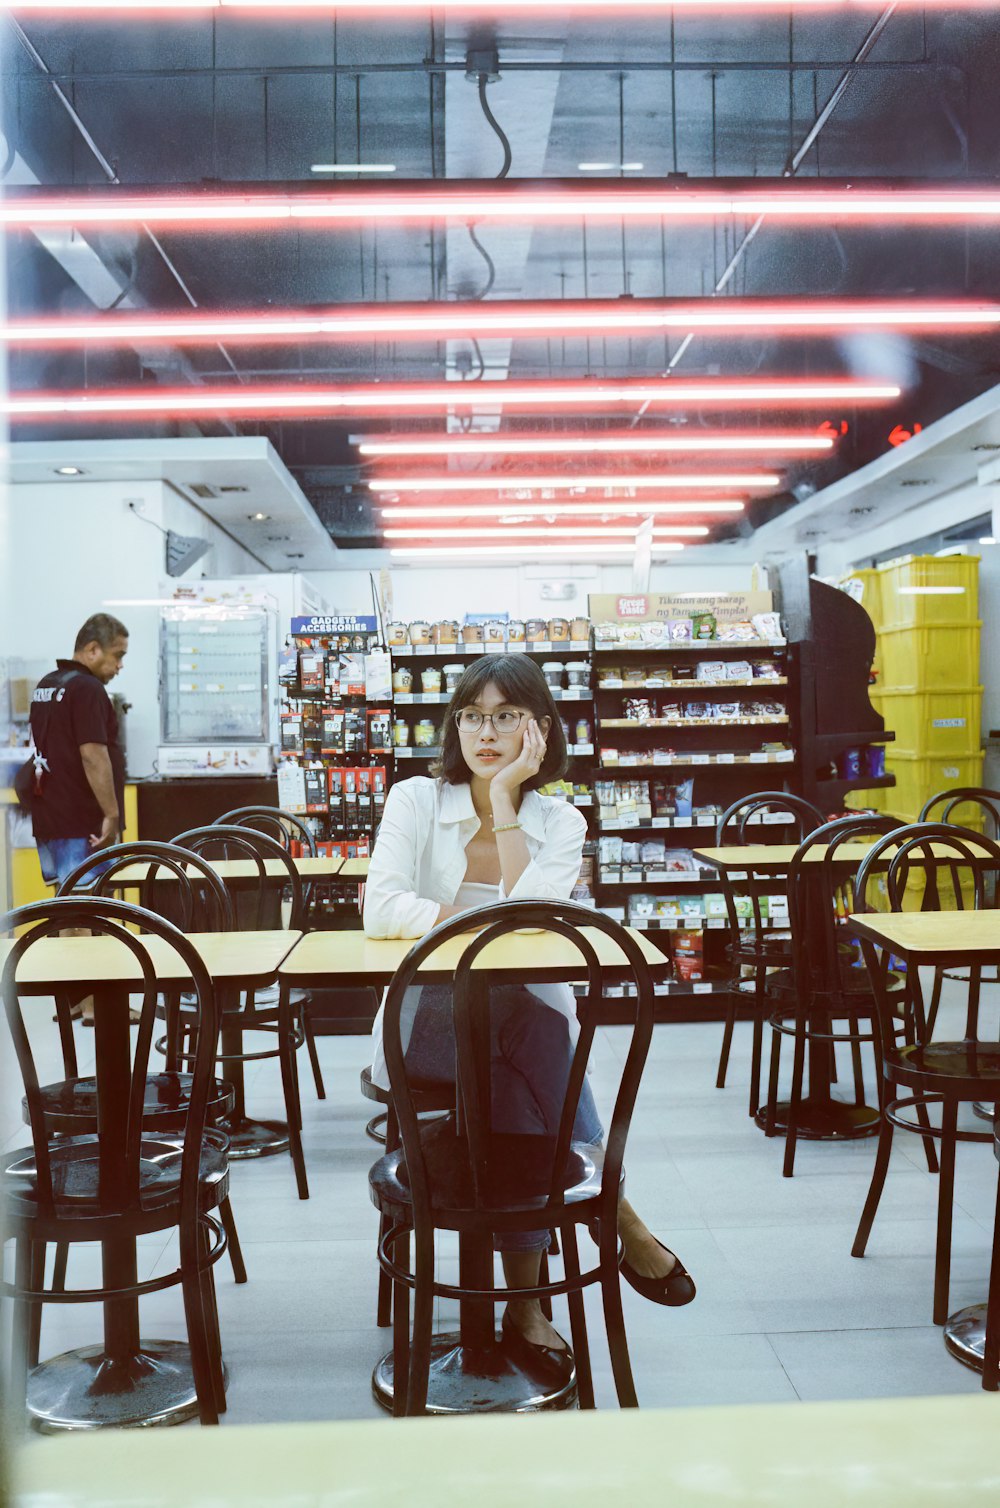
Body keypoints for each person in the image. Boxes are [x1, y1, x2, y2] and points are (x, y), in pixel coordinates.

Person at [364, 653, 695, 1377]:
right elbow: (381, 907)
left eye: (507, 715)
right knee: (536, 1026)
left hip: (519, 1038)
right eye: (473, 715)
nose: (487, 732)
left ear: (539, 729)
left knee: (520, 1051)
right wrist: (463, 923)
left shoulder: (559, 819)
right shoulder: (415, 800)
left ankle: (523, 1305)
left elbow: (535, 928)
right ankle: (614, 1213)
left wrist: (508, 804)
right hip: (422, 1026)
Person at [28, 612, 129, 1023]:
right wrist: (111, 812)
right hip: (81, 818)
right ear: (92, 649)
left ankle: (71, 998)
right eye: (117, 655)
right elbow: (93, 753)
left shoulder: (45, 687)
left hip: (49, 815)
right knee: (89, 905)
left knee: (67, 907)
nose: (120, 666)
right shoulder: (88, 689)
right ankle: (94, 1004)